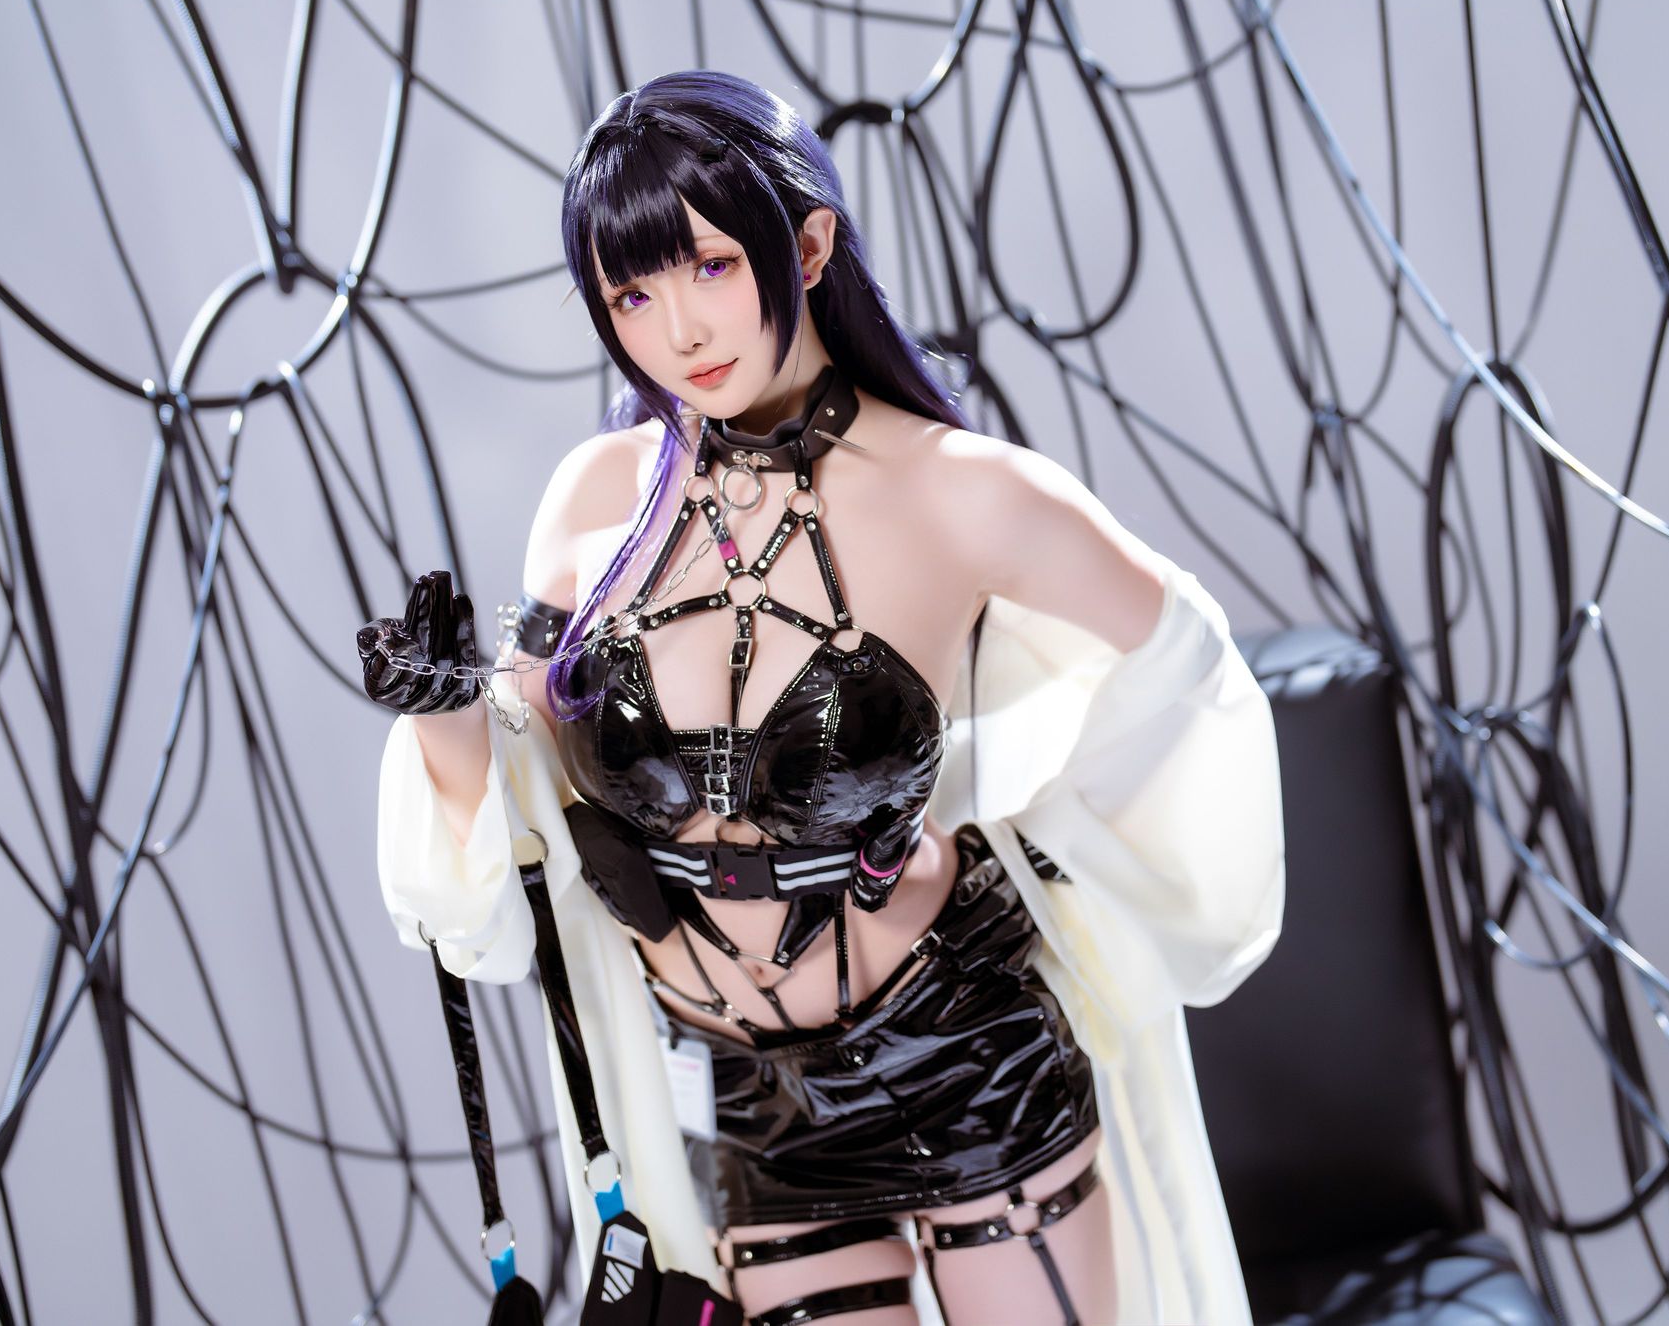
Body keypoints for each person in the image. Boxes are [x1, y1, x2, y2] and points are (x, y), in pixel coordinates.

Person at [359, 69, 1286, 1326]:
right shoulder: (594, 499)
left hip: (956, 1048)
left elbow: (1181, 666)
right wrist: (438, 710)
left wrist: (1002, 807)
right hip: (743, 1098)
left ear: (804, 246)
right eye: (631, 294)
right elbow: (515, 814)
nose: (678, 329)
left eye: (708, 266)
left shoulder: (959, 491)